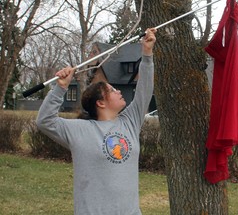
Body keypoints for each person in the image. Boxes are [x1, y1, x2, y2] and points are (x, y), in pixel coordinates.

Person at [36, 28, 157, 215]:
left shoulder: (129, 123)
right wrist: (60, 88)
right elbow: (45, 121)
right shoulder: (80, 130)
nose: (118, 91)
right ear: (100, 103)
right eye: (112, 90)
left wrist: (147, 54)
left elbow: (144, 91)